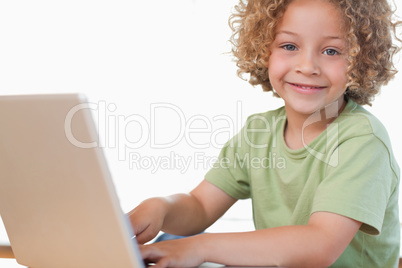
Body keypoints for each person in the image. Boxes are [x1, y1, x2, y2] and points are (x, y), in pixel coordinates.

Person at [128, 0, 401, 267]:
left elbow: (320, 245)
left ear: (361, 59)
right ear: (263, 50)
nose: (307, 66)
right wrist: (160, 208)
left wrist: (201, 247)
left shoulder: (363, 141)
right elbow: (200, 205)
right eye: (289, 46)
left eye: (331, 51)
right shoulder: (259, 133)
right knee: (170, 239)